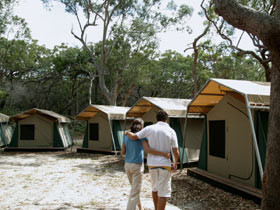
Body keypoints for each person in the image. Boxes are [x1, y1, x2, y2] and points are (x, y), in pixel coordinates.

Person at [126, 110, 179, 210]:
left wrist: (127, 132)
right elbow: (176, 151)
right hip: (164, 164)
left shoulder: (149, 128)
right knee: (163, 192)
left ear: (156, 118)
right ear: (166, 119)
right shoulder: (171, 131)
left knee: (155, 189)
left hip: (152, 164)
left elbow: (134, 137)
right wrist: (175, 163)